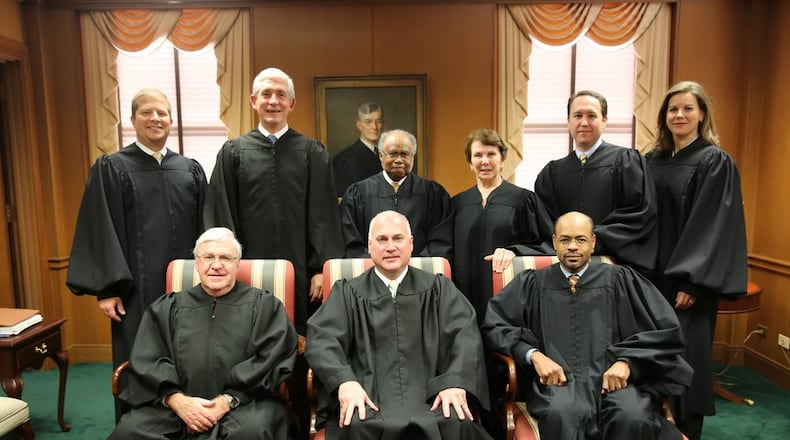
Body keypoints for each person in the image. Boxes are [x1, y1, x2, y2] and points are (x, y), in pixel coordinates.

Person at [482, 211, 693, 440]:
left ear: (593, 242)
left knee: (632, 415)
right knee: (562, 414)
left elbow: (664, 331)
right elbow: (495, 326)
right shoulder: (532, 284)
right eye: (565, 239)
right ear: (554, 242)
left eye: (580, 239)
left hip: (615, 384)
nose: (572, 246)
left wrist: (628, 362)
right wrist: (532, 355)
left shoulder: (621, 280)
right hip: (558, 385)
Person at [66, 88, 207, 418]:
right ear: (132, 120)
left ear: (171, 120)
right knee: (138, 358)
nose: (155, 118)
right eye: (147, 112)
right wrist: (107, 289)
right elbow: (99, 228)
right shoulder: (112, 168)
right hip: (133, 291)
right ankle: (137, 426)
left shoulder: (190, 169)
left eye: (161, 113)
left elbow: (207, 229)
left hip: (186, 289)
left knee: (190, 354)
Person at [305, 211, 493, 440]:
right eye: (382, 239)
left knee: (456, 422)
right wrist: (345, 382)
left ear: (411, 243)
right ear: (370, 245)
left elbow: (466, 337)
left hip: (434, 398)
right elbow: (321, 340)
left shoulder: (439, 289)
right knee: (355, 425)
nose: (390, 246)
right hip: (367, 398)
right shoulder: (347, 293)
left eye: (398, 238)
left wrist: (455, 381)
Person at [109, 227, 297, 439]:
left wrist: (228, 400)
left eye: (225, 258)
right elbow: (149, 360)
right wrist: (177, 401)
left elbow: (271, 358)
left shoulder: (265, 306)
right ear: (197, 262)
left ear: (237, 264)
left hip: (244, 404)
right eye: (208, 257)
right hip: (174, 408)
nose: (216, 265)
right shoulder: (168, 308)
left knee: (252, 432)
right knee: (129, 431)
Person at [204, 67, 344, 334]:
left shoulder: (312, 152)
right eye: (266, 94)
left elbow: (324, 216)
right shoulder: (233, 153)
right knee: (248, 333)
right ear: (253, 101)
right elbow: (221, 214)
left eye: (281, 95)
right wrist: (225, 265)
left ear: (291, 104)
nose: (273, 101)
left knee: (300, 335)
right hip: (247, 269)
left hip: (302, 272)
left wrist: (320, 269)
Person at [646, 81, 747, 440]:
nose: (680, 115)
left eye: (688, 108)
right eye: (673, 109)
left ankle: (686, 432)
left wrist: (692, 281)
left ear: (702, 114)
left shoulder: (713, 161)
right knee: (650, 354)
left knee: (686, 360)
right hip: (651, 278)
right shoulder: (652, 160)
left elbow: (712, 226)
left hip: (689, 284)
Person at [534, 90, 657, 276]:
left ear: (604, 121)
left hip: (614, 268)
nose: (584, 122)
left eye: (592, 115)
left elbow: (639, 214)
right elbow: (544, 222)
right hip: (565, 271)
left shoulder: (627, 162)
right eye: (577, 116)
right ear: (568, 121)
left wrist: (590, 240)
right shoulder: (552, 174)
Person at [451, 128, 553, 322]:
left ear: (503, 160)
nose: (485, 161)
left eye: (491, 154)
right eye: (478, 155)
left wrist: (515, 250)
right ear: (470, 163)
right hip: (463, 301)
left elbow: (547, 244)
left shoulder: (523, 200)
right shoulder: (458, 204)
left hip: (509, 299)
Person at [340, 129, 453, 260]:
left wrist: (413, 267)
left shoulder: (433, 194)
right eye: (393, 154)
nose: (399, 160)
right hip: (371, 273)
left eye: (405, 154)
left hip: (420, 274)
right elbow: (352, 243)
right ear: (381, 156)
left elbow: (440, 243)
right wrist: (378, 265)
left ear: (412, 157)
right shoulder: (358, 194)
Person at [332, 102, 384, 198]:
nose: (374, 127)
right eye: (368, 122)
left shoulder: (384, 155)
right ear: (359, 125)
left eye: (378, 121)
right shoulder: (345, 160)